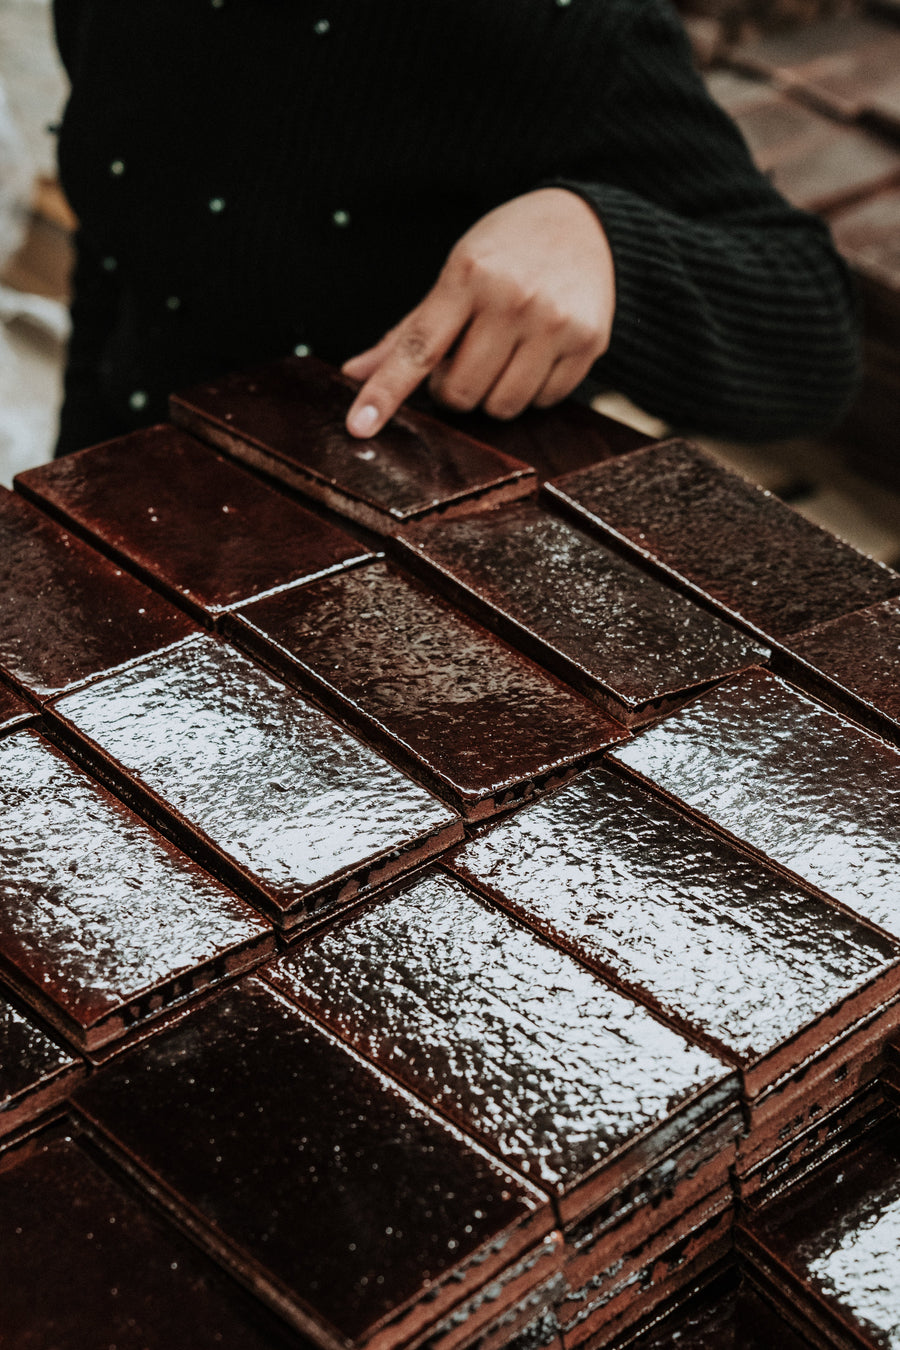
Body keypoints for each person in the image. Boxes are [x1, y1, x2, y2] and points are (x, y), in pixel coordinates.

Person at [52, 0, 860, 458]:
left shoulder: (550, 27)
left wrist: (606, 243)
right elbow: (114, 252)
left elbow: (813, 331)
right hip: (140, 516)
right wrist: (71, 484)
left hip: (412, 592)